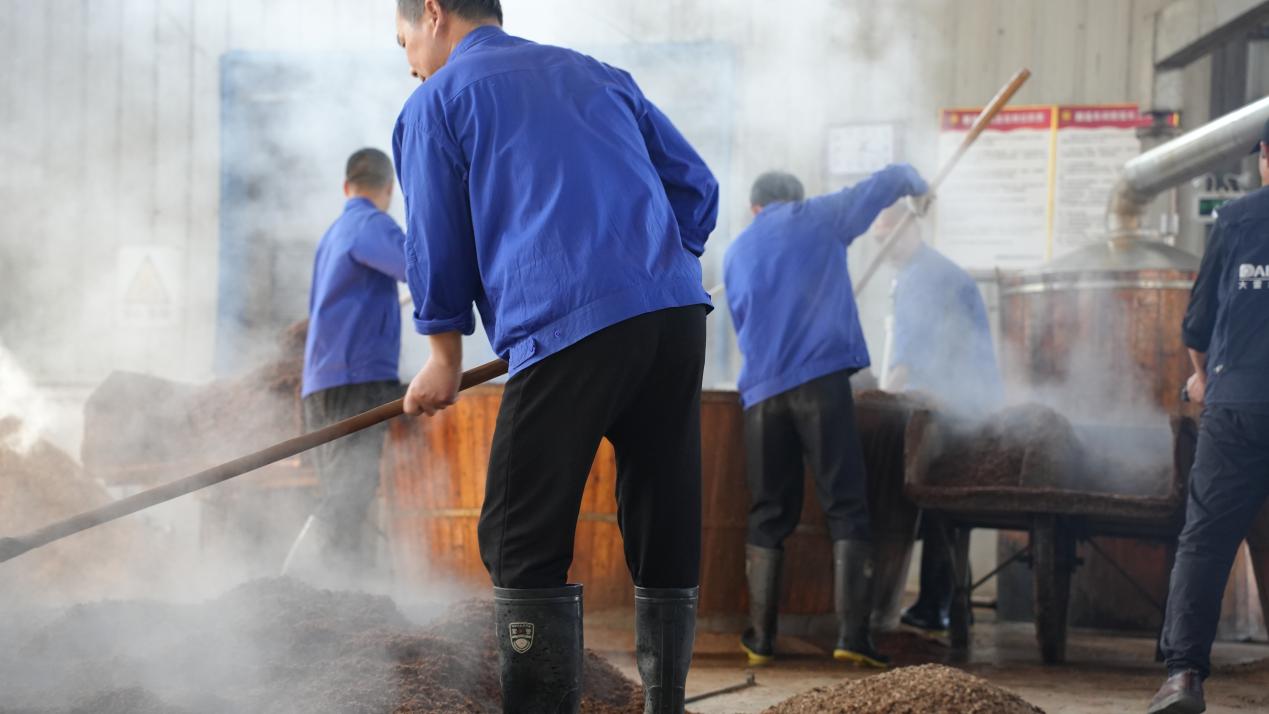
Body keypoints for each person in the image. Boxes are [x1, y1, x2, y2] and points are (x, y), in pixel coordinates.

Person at [391, 1, 719, 712]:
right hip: (674, 315)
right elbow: (696, 187)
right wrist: (650, 267)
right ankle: (666, 706)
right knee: (662, 516)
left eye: (405, 43)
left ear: (432, 14)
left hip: (567, 323)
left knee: (518, 535)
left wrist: (442, 357)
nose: (410, 62)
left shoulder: (436, 102)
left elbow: (436, 242)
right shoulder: (598, 73)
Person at [723, 165, 928, 669]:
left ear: (755, 207)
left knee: (770, 510)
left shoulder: (736, 251)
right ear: (796, 198)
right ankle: (853, 637)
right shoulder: (816, 216)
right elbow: (877, 187)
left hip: (763, 394)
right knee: (846, 505)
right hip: (819, 384)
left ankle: (760, 640)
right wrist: (914, 180)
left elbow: (745, 323)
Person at [1148, 123, 1269, 714]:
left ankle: (1184, 678)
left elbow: (1197, 326)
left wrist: (1203, 377)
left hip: (1239, 406)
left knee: (1206, 540)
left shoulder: (1237, 219)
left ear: (1266, 158)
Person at [872, 202, 1002, 636]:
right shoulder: (927, 271)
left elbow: (908, 354)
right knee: (945, 507)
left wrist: (884, 396)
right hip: (966, 399)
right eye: (877, 241)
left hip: (953, 403)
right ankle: (943, 603)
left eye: (888, 238)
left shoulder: (922, 277)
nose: (884, 248)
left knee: (937, 501)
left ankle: (935, 605)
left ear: (910, 229)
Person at [300, 148, 408, 577]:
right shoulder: (371, 224)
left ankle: (345, 595)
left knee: (344, 492)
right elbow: (417, 268)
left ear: (346, 187)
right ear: (388, 189)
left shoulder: (334, 233)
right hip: (356, 381)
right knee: (348, 494)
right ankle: (300, 577)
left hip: (320, 383)